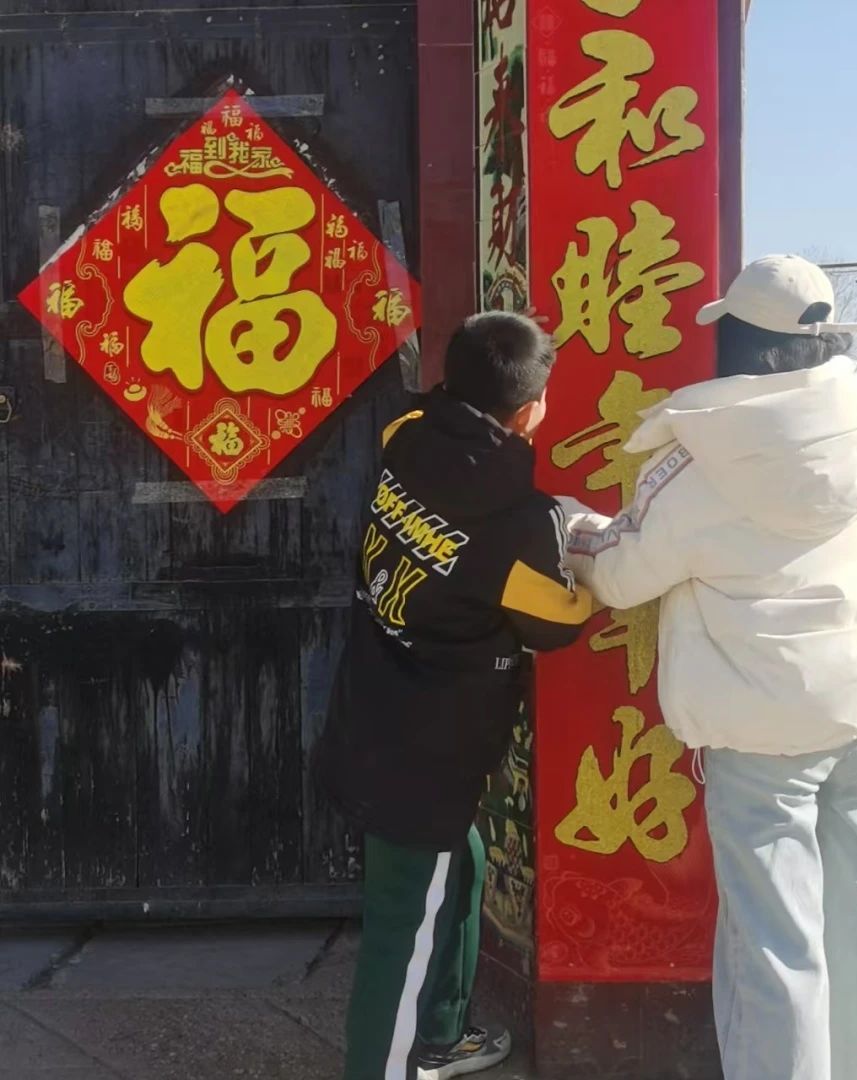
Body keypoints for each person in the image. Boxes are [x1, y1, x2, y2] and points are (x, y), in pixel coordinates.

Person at [558, 255, 857, 1080]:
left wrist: (577, 529)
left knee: (776, 943)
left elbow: (622, 575)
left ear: (739, 340)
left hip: (761, 726)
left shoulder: (705, 457)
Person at [315, 312, 593, 1080]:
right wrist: (582, 542)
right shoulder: (518, 522)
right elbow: (557, 623)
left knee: (462, 863)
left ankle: (440, 1033)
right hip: (429, 752)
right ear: (531, 411)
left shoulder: (404, 434)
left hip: (374, 708)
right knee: (398, 930)